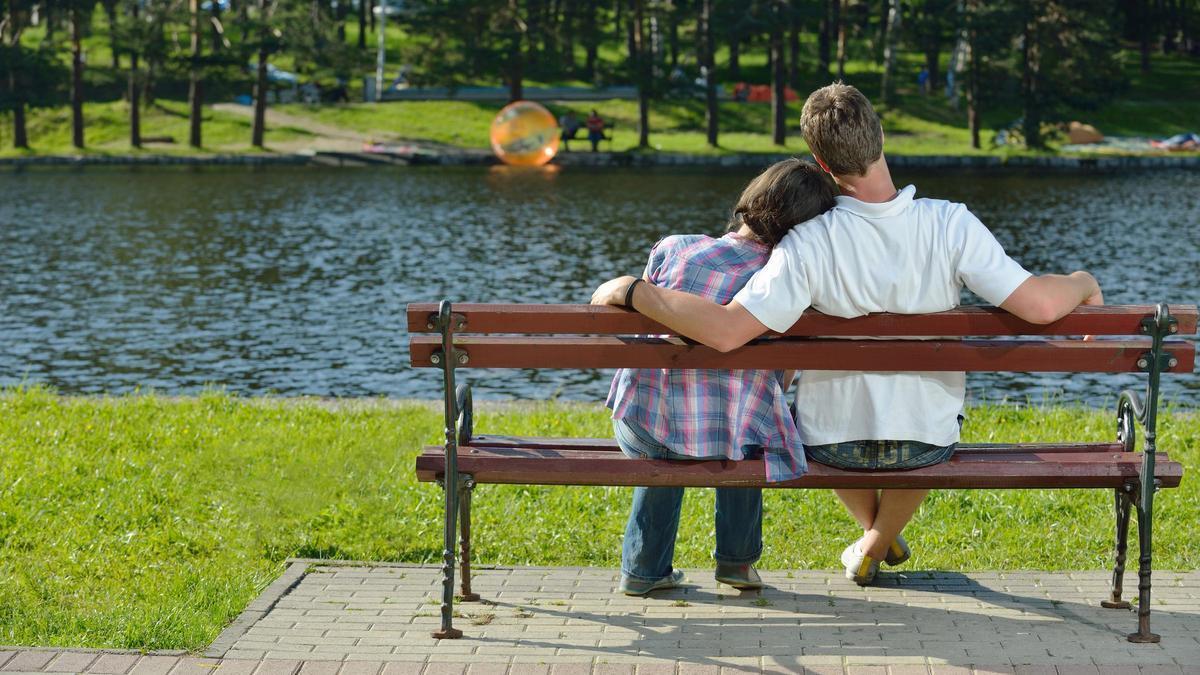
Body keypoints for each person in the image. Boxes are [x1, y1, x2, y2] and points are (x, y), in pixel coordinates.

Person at [593, 83, 1104, 586]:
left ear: (819, 160)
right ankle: (876, 540)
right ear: (879, 136)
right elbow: (1037, 306)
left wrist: (637, 291)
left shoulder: (807, 240)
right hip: (926, 443)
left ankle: (873, 538)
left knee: (820, 410)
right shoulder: (951, 224)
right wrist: (1082, 282)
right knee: (930, 420)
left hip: (832, 446)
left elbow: (727, 331)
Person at [610, 159, 837, 596]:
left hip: (644, 427)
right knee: (749, 426)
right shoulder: (782, 278)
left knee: (667, 427)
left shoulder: (674, 248)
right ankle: (736, 562)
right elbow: (783, 376)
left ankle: (643, 570)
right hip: (733, 439)